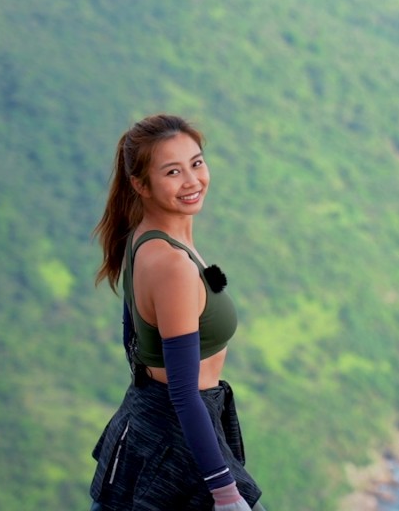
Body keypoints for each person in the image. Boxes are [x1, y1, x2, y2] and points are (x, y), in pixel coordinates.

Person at [88, 114, 265, 510]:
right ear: (140, 185)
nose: (192, 181)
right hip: (177, 444)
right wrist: (225, 494)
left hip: (154, 428)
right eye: (172, 171)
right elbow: (184, 393)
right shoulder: (172, 265)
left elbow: (132, 338)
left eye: (197, 163)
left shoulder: (144, 239)